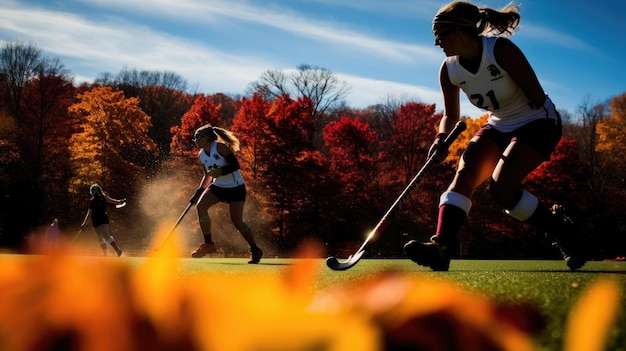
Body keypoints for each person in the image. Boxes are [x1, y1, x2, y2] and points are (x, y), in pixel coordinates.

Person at [404, 1, 586, 271]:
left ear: (460, 29)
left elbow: (536, 97)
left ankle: (563, 232)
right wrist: (441, 138)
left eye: (440, 33)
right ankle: (441, 247)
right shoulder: (448, 69)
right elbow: (450, 116)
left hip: (538, 120)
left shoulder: (500, 50)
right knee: (464, 174)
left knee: (502, 190)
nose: (436, 42)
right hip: (499, 124)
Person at [189, 124, 263, 264]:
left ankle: (255, 249)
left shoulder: (220, 147)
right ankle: (208, 243)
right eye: (194, 137)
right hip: (218, 186)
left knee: (237, 222)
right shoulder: (201, 155)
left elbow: (235, 165)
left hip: (235, 188)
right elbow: (207, 176)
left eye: (198, 137)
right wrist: (199, 192)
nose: (195, 140)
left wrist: (220, 172)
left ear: (208, 138)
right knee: (201, 206)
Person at [80, 184, 124, 256]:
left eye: (93, 190)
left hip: (103, 218)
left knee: (106, 235)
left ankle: (117, 250)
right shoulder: (92, 200)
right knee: (100, 236)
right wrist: (84, 223)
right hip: (96, 220)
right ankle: (105, 253)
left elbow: (113, 201)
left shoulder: (103, 197)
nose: (92, 192)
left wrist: (120, 201)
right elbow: (89, 212)